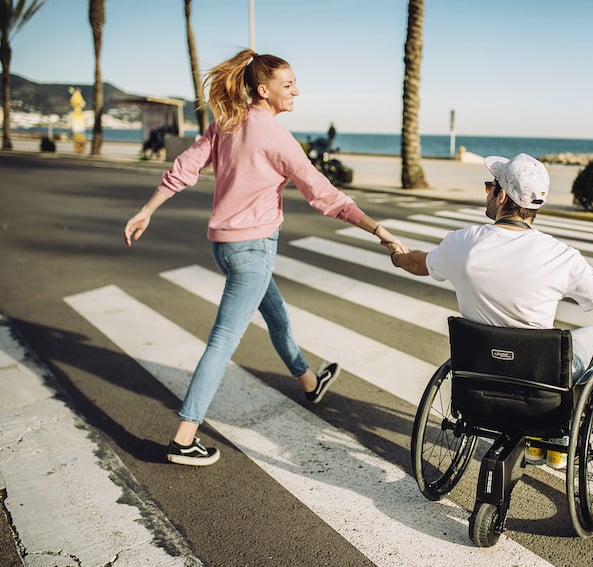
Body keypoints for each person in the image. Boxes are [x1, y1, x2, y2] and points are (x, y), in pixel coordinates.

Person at [123, 49, 406, 466]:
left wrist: (148, 209)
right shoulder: (276, 138)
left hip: (225, 248)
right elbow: (325, 196)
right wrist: (379, 230)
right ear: (263, 89)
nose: (296, 91)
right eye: (288, 85)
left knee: (277, 316)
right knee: (222, 343)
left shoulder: (225, 123)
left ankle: (310, 383)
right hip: (252, 251)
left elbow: (184, 167)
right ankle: (184, 438)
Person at [388, 153, 593, 469]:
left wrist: (398, 256)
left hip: (478, 381)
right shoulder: (561, 257)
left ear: (501, 195)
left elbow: (419, 263)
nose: (486, 192)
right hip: (537, 386)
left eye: (489, 186)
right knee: (592, 335)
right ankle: (556, 438)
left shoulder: (463, 244)